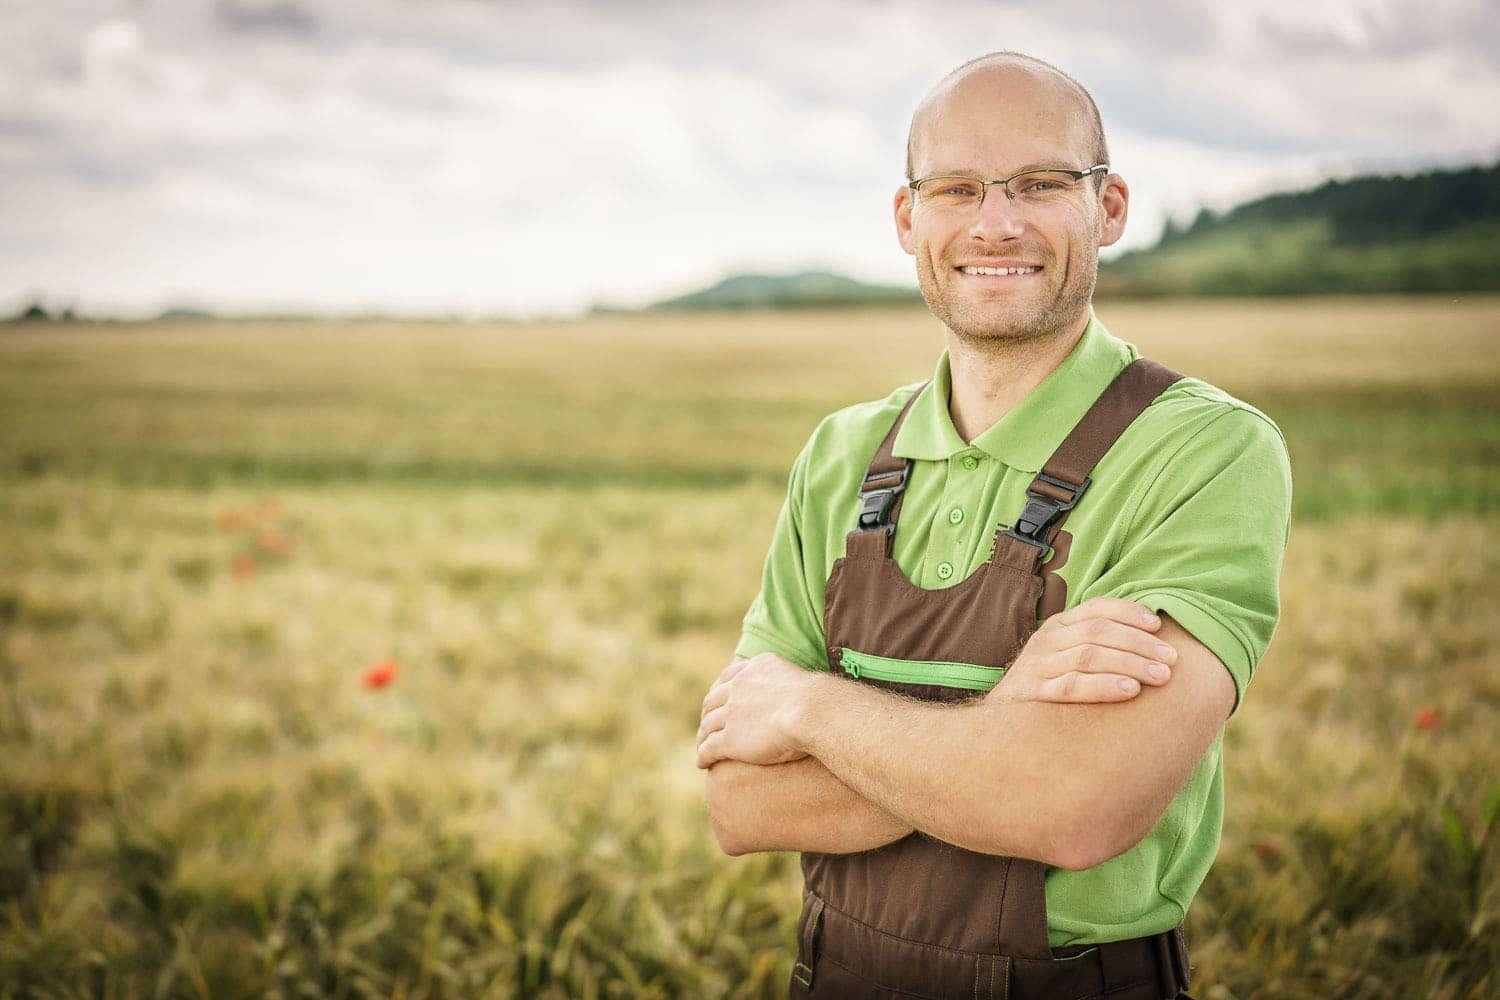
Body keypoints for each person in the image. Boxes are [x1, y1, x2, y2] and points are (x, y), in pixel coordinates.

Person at [694, 51, 1292, 1000]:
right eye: (957, 188)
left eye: (1042, 183)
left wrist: (809, 709)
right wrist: (1007, 732)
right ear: (908, 218)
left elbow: (1076, 806)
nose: (996, 222)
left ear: (1111, 207)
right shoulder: (842, 454)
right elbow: (741, 800)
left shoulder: (1208, 451)